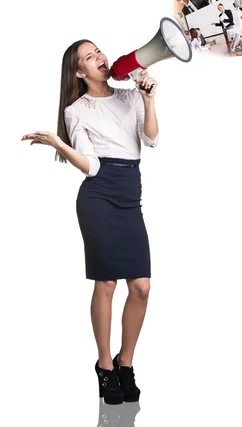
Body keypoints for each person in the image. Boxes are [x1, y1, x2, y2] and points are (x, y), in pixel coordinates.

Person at [22, 40, 158, 405]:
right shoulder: (76, 110)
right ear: (79, 72)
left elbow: (151, 140)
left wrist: (147, 98)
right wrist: (57, 143)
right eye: (88, 57)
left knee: (142, 286)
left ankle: (125, 362)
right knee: (108, 283)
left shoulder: (129, 96)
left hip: (130, 194)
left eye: (98, 51)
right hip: (98, 197)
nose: (99, 57)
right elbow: (92, 166)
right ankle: (104, 366)